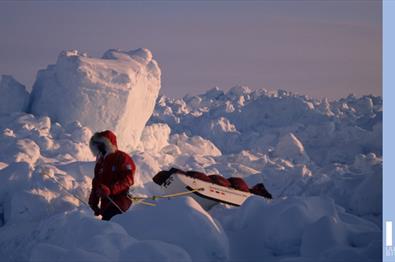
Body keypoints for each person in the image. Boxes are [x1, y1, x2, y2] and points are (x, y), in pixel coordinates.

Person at [88, 130, 136, 220]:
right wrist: (93, 202)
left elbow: (128, 179)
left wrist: (110, 189)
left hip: (120, 204)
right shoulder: (100, 162)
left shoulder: (122, 157)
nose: (99, 148)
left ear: (108, 144)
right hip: (106, 206)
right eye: (97, 145)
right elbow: (96, 183)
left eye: (101, 144)